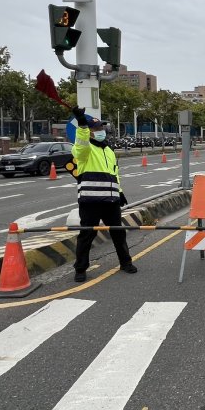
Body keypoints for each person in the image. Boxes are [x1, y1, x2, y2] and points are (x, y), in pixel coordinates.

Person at [71, 107, 137, 282]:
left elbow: (114, 174)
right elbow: (81, 143)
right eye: (97, 129)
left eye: (102, 128)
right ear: (90, 133)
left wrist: (120, 192)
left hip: (111, 200)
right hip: (90, 201)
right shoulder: (83, 150)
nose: (101, 131)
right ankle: (80, 268)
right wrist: (82, 125)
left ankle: (125, 262)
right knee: (87, 235)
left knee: (118, 232)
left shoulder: (108, 150)